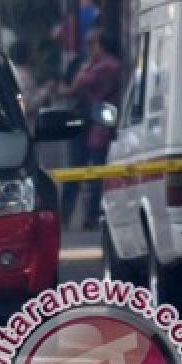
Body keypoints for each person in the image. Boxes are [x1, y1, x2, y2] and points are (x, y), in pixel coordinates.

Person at [54, 30, 122, 230]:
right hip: (93, 121)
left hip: (100, 123)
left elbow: (77, 84)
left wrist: (86, 66)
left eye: (93, 43)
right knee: (84, 170)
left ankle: (90, 214)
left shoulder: (104, 66)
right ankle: (79, 214)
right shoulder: (95, 63)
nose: (90, 48)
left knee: (94, 171)